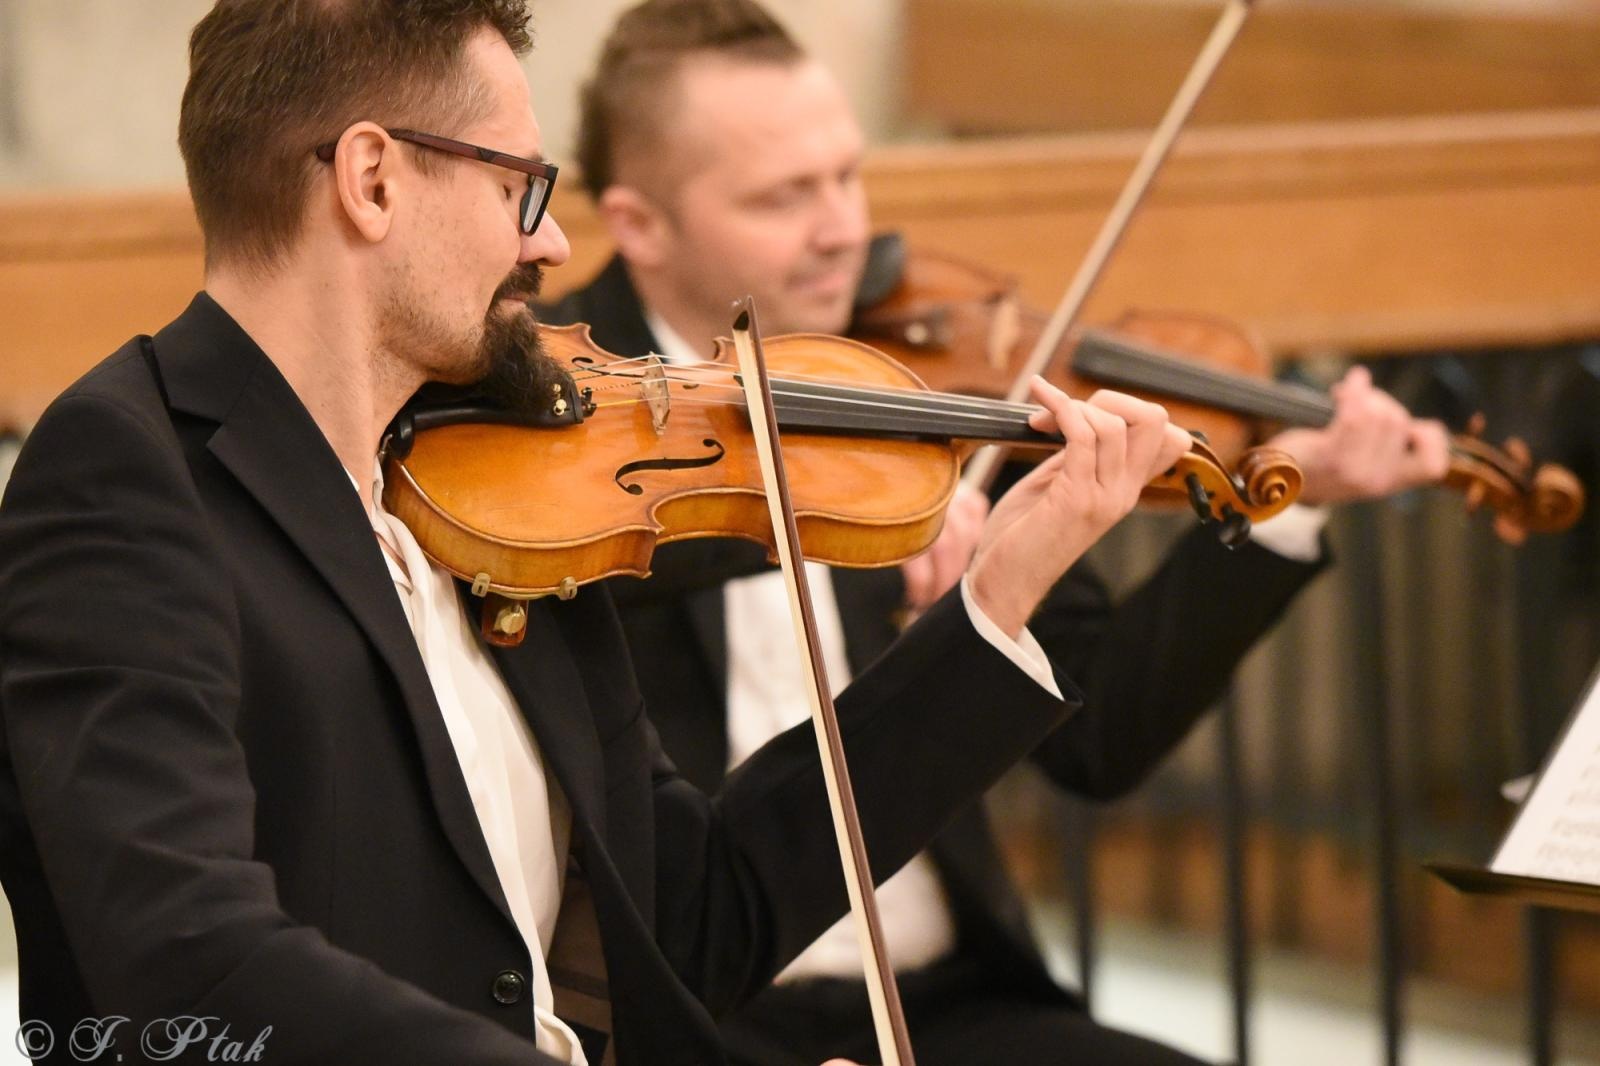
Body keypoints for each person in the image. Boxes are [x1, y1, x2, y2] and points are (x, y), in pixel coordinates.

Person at [0, 3, 1205, 1066]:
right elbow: (187, 960)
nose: (552, 245)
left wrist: (990, 604)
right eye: (519, 188)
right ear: (372, 180)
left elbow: (694, 917)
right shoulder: (125, 473)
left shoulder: (510, 476)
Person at [541, 2, 1455, 1064]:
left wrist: (1287, 500)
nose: (842, 229)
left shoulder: (903, 396)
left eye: (846, 176)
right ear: (641, 224)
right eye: (783, 196)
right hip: (691, 1017)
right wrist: (807, 531)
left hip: (946, 1000)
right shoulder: (560, 410)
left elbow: (1104, 736)